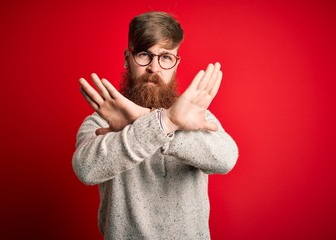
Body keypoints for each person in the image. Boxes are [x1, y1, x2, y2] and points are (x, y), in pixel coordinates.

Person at [72, 11, 238, 240]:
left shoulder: (196, 116)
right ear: (126, 58)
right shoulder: (102, 119)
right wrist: (167, 122)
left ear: (176, 63)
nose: (154, 67)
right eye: (144, 54)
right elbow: (86, 170)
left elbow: (226, 159)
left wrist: (143, 118)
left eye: (166, 57)